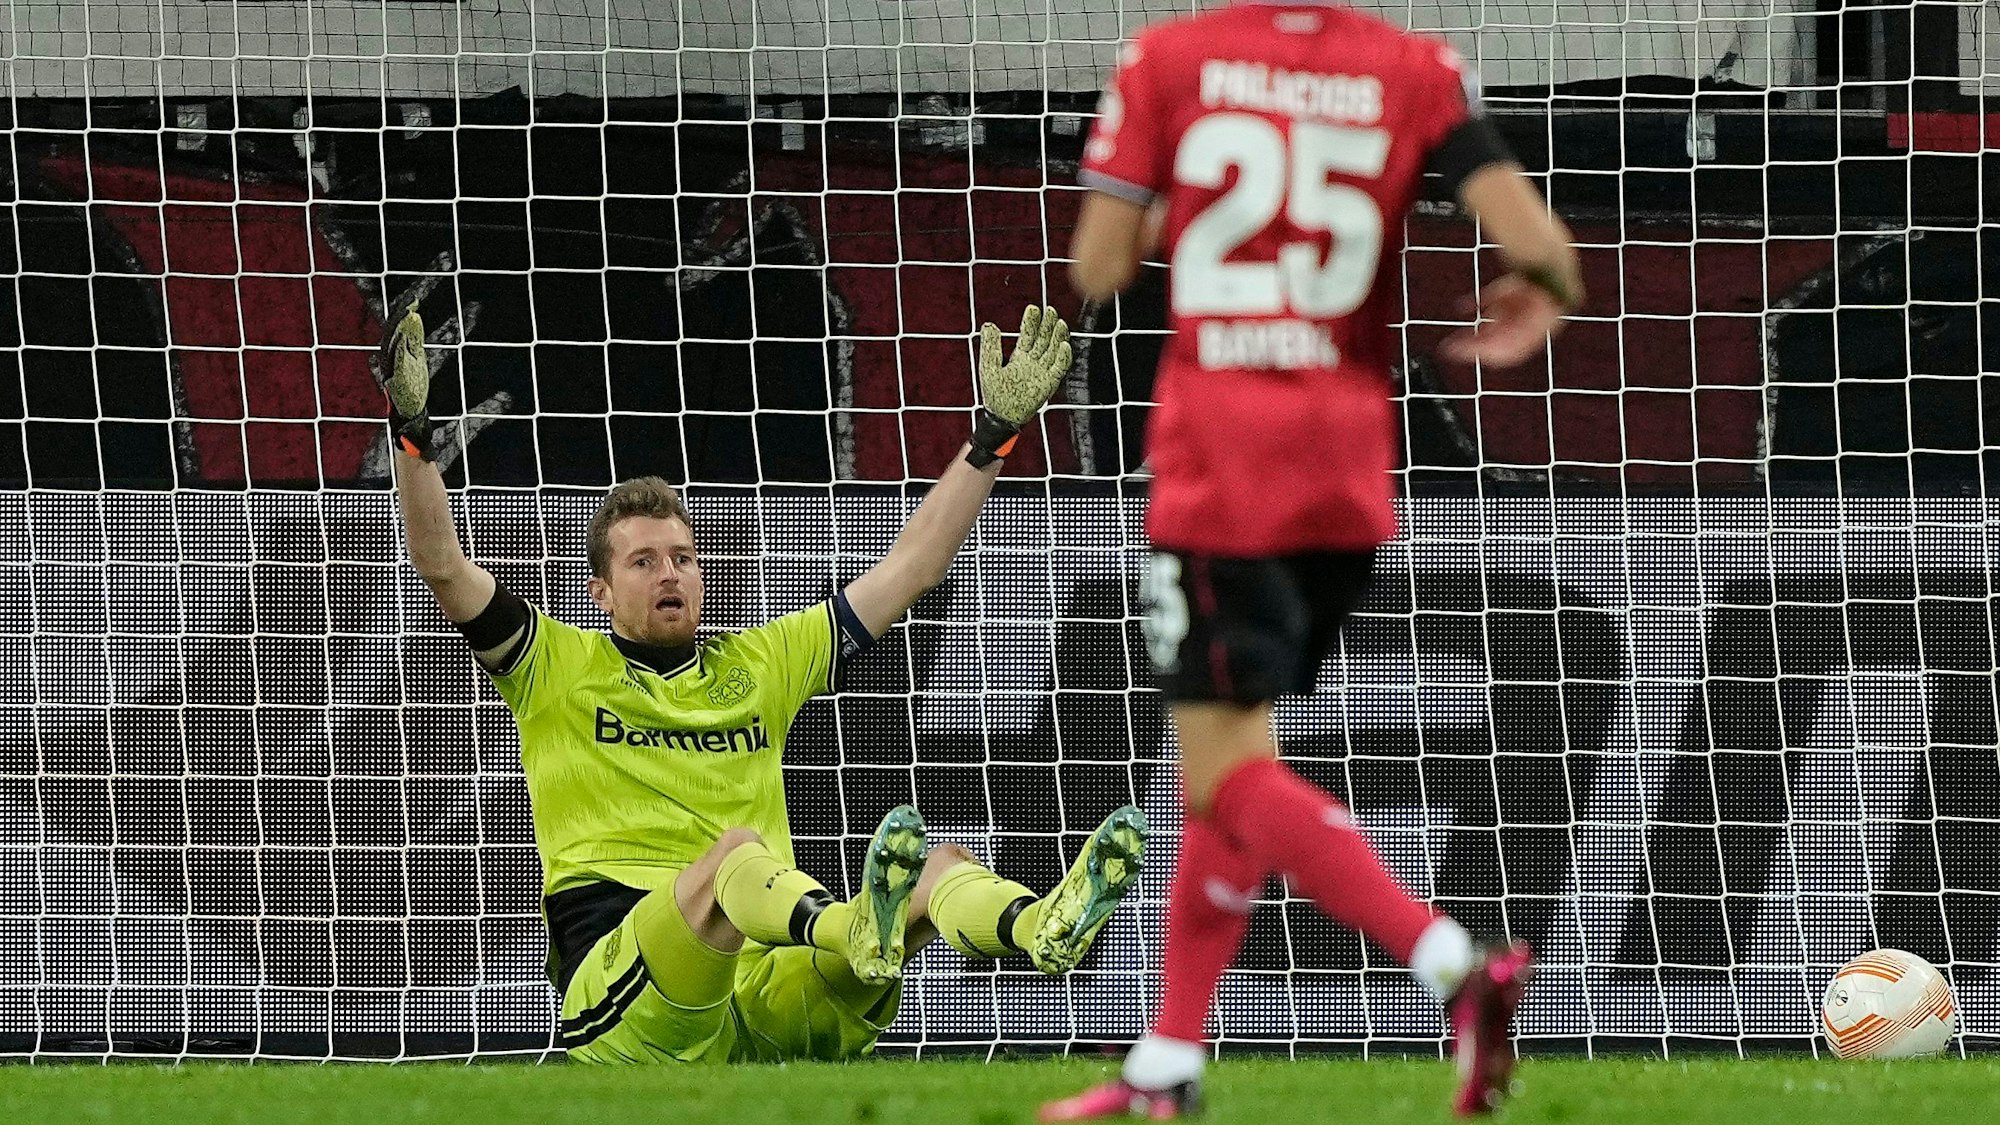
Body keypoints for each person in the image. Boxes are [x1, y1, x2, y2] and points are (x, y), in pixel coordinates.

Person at [1044, 2, 1583, 1118]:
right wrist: (1537, 296)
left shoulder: (1170, 59)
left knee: (1227, 775)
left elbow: (1095, 265)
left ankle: (1450, 968)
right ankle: (1166, 1066)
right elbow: (1540, 251)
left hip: (1220, 466)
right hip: (1344, 469)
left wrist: (1186, 220)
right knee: (1226, 772)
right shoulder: (1414, 69)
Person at [379, 302, 1148, 1064]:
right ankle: (851, 926)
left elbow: (911, 567)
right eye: (642, 561)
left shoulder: (761, 663)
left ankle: (1038, 924)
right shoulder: (554, 663)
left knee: (940, 868)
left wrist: (992, 436)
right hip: (629, 995)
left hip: (767, 992)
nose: (668, 572)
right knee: (737, 853)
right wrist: (414, 434)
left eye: (682, 556)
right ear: (600, 592)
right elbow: (442, 561)